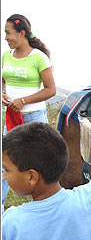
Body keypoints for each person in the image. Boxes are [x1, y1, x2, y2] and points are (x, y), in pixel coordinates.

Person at [2, 14, 56, 212]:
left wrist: (23, 101)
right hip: (11, 119)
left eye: (8, 33)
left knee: (36, 166)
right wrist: (3, 94)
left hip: (33, 119)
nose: (6, 37)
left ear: (21, 33)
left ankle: (43, 209)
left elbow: (51, 90)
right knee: (6, 164)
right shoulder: (6, 56)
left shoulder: (38, 57)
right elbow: (3, 80)